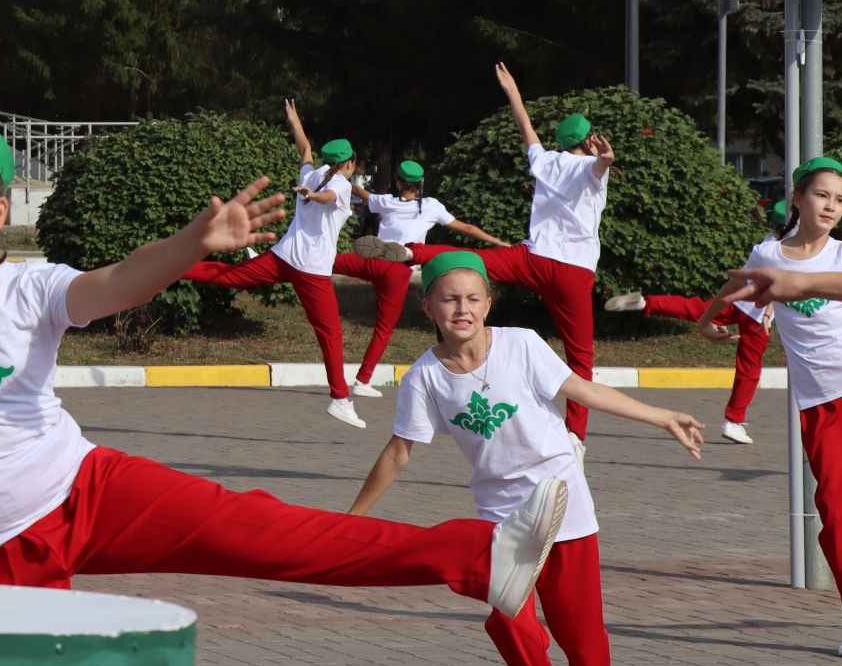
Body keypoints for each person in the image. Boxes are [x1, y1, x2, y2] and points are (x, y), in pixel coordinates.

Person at [0, 111, 572, 646]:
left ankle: (474, 558)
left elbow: (113, 285)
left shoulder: (29, 290)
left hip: (82, 487)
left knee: (264, 529)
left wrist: (191, 245)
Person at [349, 251, 704, 666]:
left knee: (578, 627)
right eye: (449, 299)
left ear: (489, 303)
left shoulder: (521, 345)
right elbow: (400, 451)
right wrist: (351, 520)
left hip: (564, 503)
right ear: (427, 306)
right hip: (502, 516)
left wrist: (660, 415)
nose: (462, 309)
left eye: (473, 299)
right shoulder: (424, 377)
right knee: (509, 622)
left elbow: (581, 389)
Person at [355, 65, 611, 439]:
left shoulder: (544, 161)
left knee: (469, 259)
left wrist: (513, 93)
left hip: (534, 259)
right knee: (580, 358)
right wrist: (605, 158)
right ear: (588, 140)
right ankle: (576, 439)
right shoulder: (589, 165)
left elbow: (527, 131)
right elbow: (599, 167)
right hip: (573, 271)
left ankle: (412, 253)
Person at [701, 157, 842, 659]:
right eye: (824, 195)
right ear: (799, 197)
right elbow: (734, 287)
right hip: (822, 402)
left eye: (841, 200)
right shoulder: (768, 252)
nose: (832, 206)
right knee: (837, 512)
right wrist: (706, 321)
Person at [180, 101, 370, 426]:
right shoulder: (339, 183)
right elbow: (330, 196)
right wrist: (312, 196)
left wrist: (294, 122)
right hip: (310, 270)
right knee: (330, 331)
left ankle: (173, 267)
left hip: (283, 258)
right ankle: (340, 398)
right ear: (350, 163)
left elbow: (306, 148)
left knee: (231, 276)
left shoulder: (311, 172)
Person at [604, 202, 787, 446]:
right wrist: (767, 315)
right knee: (749, 369)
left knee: (696, 308)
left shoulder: (766, 243)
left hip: (738, 301)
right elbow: (780, 285)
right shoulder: (789, 248)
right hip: (758, 313)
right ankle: (734, 422)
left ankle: (646, 303)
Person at [353, 160, 509, 251]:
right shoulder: (432, 206)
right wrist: (497, 241)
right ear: (420, 183)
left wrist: (343, 168)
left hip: (383, 263)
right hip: (410, 265)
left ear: (397, 181)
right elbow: (467, 228)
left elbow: (357, 189)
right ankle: (402, 253)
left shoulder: (385, 202)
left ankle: (383, 253)